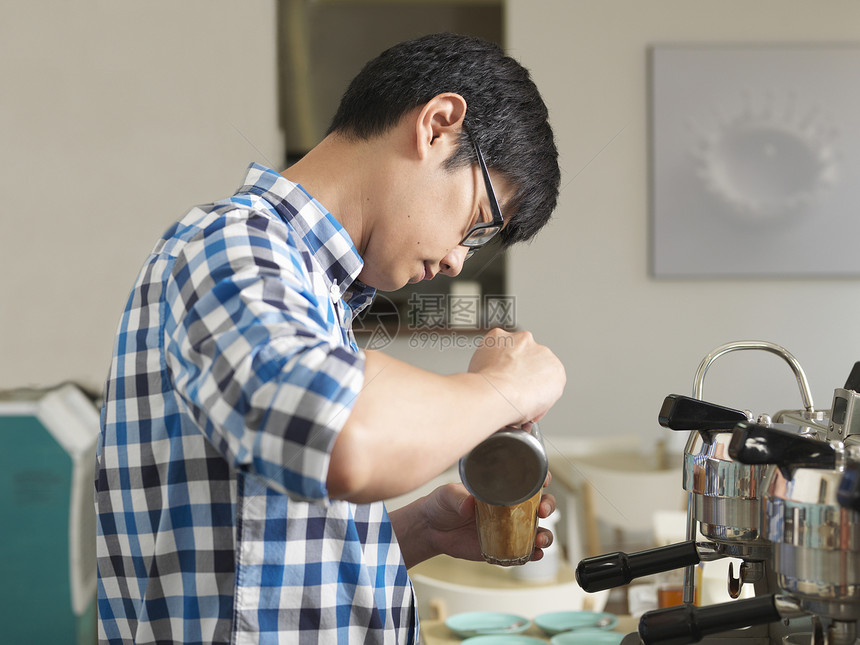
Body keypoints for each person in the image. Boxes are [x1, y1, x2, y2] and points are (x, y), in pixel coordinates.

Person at [95, 32, 564, 644]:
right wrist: (506, 386)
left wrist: (418, 531)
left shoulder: (308, 288)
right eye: (476, 226)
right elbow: (345, 436)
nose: (456, 261)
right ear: (437, 125)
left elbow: (250, 557)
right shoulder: (233, 249)